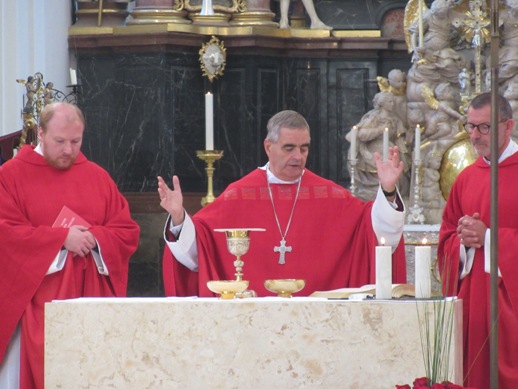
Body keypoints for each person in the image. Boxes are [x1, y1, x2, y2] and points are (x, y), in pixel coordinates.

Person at [158, 110, 407, 298]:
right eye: (289, 148)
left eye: (304, 148)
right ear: (269, 147)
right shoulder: (240, 194)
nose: (298, 157)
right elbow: (200, 245)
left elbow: (374, 232)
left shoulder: (330, 195)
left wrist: (386, 191)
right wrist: (179, 217)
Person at [0, 102, 140, 389]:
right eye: (60, 141)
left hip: (94, 306)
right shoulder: (10, 176)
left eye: (76, 142)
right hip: (36, 306)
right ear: (40, 133)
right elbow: (6, 233)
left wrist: (95, 238)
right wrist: (60, 239)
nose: (68, 150)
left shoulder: (97, 176)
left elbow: (126, 231)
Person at [438, 92, 518, 389]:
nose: (474, 135)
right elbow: (446, 234)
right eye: (470, 126)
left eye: (484, 127)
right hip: (472, 303)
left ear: (507, 126)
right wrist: (462, 243)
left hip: (510, 306)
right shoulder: (466, 178)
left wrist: (488, 237)